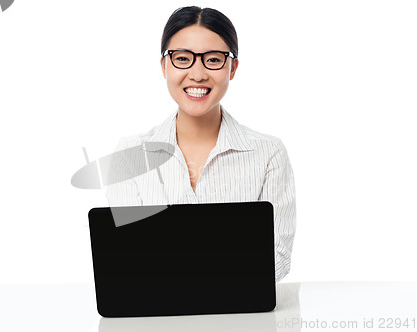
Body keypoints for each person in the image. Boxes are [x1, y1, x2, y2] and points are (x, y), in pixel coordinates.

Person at [105, 6, 296, 282]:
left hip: (241, 318)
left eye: (213, 60)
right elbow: (127, 257)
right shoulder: (129, 156)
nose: (197, 74)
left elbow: (277, 256)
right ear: (164, 66)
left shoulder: (268, 154)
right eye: (182, 58)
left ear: (232, 68)